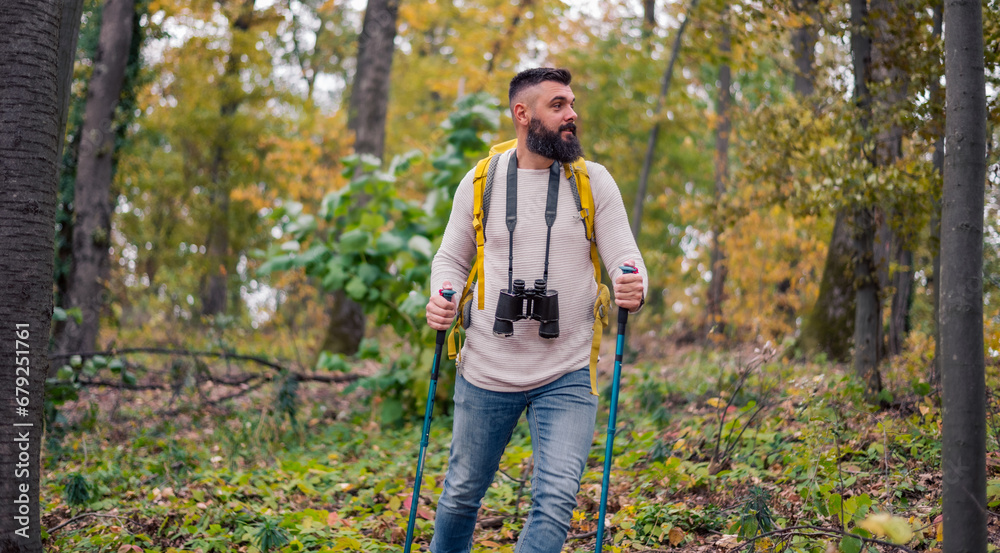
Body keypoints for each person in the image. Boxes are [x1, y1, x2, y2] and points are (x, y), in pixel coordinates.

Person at [424, 67, 647, 553]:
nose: (572, 115)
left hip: (565, 371)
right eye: (559, 106)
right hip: (487, 369)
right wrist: (442, 295)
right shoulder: (482, 180)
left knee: (556, 499)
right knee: (462, 495)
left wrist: (633, 280)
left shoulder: (593, 181)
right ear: (523, 115)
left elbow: (624, 255)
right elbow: (451, 258)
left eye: (571, 104)